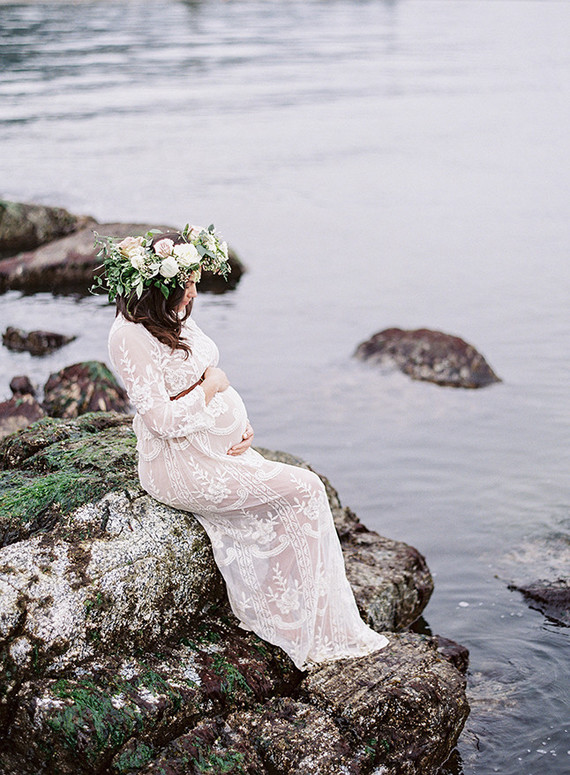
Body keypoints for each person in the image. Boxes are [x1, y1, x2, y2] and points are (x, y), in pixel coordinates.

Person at [99, 224, 388, 670]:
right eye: (188, 283)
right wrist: (215, 390)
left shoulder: (172, 315)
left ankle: (307, 613)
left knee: (300, 495)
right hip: (180, 465)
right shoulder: (128, 337)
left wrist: (239, 422)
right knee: (306, 489)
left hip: (214, 449)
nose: (194, 292)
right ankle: (301, 624)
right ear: (159, 288)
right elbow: (161, 418)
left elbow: (199, 369)